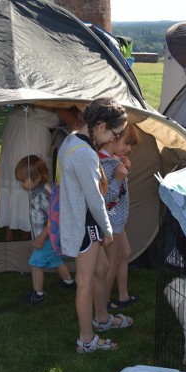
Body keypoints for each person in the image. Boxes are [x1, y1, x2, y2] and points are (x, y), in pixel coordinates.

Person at [59, 98, 134, 354]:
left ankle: (101, 318)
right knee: (85, 281)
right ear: (100, 125)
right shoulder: (84, 153)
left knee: (101, 269)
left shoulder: (72, 140)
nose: (114, 139)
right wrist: (107, 229)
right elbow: (95, 198)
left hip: (82, 220)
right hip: (85, 224)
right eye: (114, 134)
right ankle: (87, 339)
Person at [15, 154, 76, 305]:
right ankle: (69, 283)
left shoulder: (43, 194)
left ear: (36, 178)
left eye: (23, 181)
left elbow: (54, 219)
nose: (21, 184)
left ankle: (38, 294)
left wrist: (42, 237)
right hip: (46, 237)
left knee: (35, 263)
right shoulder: (36, 191)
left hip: (48, 237)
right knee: (55, 260)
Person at [0, 105, 61, 240]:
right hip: (32, 131)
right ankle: (26, 230)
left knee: (22, 175)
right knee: (27, 173)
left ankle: (16, 231)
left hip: (18, 127)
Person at [99, 124, 141, 311]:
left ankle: (123, 296)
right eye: (127, 143)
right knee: (113, 260)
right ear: (113, 138)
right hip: (109, 220)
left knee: (125, 253)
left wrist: (123, 171)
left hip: (118, 219)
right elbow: (105, 198)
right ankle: (104, 302)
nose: (129, 149)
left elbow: (119, 191)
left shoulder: (114, 160)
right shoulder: (103, 163)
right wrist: (118, 178)